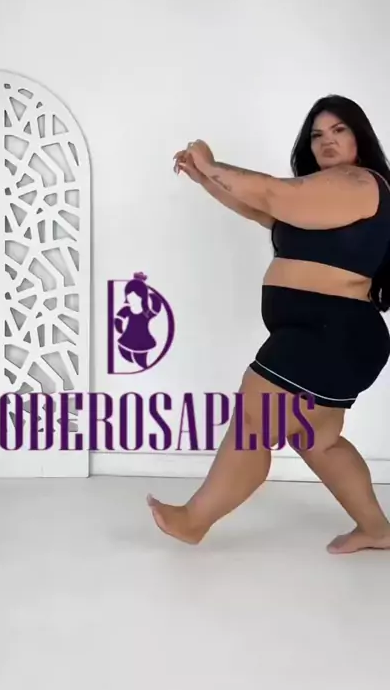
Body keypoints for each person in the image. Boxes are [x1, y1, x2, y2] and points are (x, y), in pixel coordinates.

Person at [147, 94, 390, 554]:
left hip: (330, 332)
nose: (327, 141)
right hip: (330, 334)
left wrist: (212, 164)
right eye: (317, 135)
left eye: (339, 130)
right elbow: (260, 208)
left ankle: (194, 520)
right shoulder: (319, 198)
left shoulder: (359, 183)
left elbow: (273, 193)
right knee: (318, 440)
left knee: (254, 418)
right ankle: (377, 530)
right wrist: (205, 177)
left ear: (360, 136)